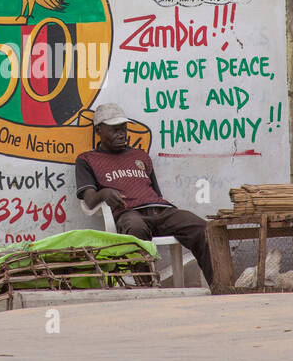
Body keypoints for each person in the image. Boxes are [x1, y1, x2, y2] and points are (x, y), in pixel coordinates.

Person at [75, 103, 214, 285]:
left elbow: (155, 193)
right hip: (128, 214)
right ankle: (147, 288)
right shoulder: (87, 160)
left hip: (160, 210)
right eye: (115, 130)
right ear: (99, 130)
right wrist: (104, 193)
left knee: (202, 228)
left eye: (124, 129)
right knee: (136, 229)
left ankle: (219, 284)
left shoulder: (140, 156)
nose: (121, 134)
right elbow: (90, 201)